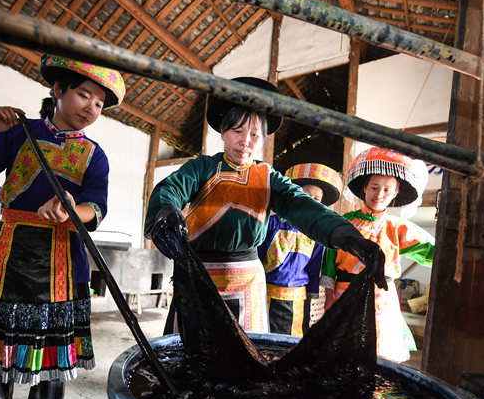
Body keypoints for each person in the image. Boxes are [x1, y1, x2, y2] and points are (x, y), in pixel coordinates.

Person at [0, 54, 125, 399]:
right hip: (6, 255)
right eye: (83, 95)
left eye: (99, 103)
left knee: (53, 349)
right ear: (58, 91)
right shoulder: (18, 133)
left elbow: (97, 208)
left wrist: (71, 210)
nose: (91, 107)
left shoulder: (95, 155)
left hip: (60, 260)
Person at [144, 77, 385, 334]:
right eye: (237, 131)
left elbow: (303, 206)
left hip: (247, 281)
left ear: (263, 139)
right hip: (198, 274)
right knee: (191, 351)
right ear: (223, 132)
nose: (245, 141)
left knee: (245, 355)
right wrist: (166, 209)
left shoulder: (268, 178)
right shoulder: (202, 167)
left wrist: (349, 237)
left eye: (255, 134)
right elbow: (171, 188)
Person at [321, 147, 435, 363]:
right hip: (343, 294)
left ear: (395, 195)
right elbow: (328, 265)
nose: (379, 195)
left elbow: (433, 251)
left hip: (381, 301)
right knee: (341, 356)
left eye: (386, 190)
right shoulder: (343, 223)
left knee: (378, 357)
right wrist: (328, 299)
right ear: (364, 188)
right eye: (374, 187)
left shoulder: (398, 228)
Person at [257, 162, 343, 336]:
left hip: (298, 297)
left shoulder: (316, 233)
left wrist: (312, 292)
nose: (310, 202)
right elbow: (257, 256)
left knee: (293, 340)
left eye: (316, 199)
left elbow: (314, 265)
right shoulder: (271, 224)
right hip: (266, 294)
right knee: (263, 336)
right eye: (306, 195)